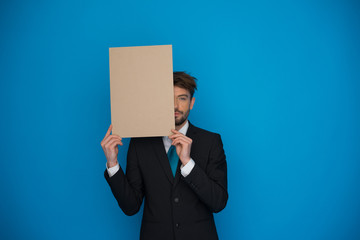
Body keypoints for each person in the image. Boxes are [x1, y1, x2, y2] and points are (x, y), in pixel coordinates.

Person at [101, 71, 228, 240]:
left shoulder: (211, 142)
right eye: (169, 99)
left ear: (192, 103)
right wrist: (112, 164)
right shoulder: (140, 144)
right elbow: (130, 207)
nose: (175, 106)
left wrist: (188, 163)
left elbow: (218, 202)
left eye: (182, 98)